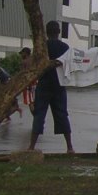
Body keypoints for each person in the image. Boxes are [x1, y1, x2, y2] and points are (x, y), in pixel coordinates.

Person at [29, 20, 74, 153]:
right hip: (59, 85)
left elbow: (35, 66)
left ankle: (31, 146)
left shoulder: (41, 47)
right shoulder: (65, 47)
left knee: (39, 115)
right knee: (62, 114)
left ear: (46, 33)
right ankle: (69, 147)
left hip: (43, 84)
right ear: (59, 32)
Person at [19, 47, 36, 113]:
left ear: (25, 53)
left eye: (22, 53)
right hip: (35, 83)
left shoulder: (24, 62)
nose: (21, 55)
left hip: (28, 84)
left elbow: (22, 74)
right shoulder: (34, 60)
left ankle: (36, 118)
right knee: (34, 101)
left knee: (30, 102)